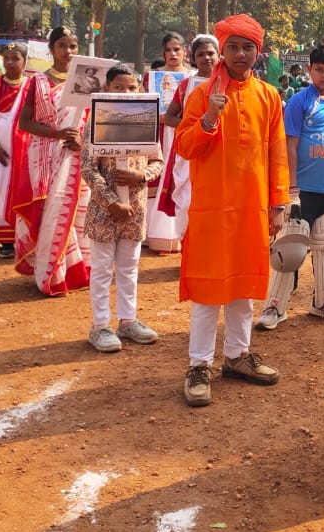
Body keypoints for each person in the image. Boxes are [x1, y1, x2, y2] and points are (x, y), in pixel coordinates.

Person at [176, 14, 290, 407]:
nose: (240, 54)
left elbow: (277, 153)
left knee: (244, 285)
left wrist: (278, 203)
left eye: (248, 47)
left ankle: (237, 355)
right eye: (233, 47)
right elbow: (184, 147)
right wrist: (210, 117)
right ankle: (199, 364)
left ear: (259, 52)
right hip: (211, 209)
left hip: (252, 207)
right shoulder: (201, 94)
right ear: (222, 51)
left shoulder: (269, 96)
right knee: (209, 290)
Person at [258, 45, 324, 330]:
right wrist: (291, 187)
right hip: (301, 188)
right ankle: (274, 306)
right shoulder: (299, 101)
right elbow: (289, 145)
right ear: (309, 70)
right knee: (292, 246)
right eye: (319, 70)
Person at [80, 66, 164, 353]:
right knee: (102, 269)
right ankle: (100, 325)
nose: (126, 93)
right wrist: (111, 202)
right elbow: (88, 168)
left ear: (139, 89)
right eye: (118, 87)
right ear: (107, 89)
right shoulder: (96, 121)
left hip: (135, 209)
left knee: (129, 268)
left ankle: (127, 320)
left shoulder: (146, 122)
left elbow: (157, 162)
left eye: (131, 88)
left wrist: (141, 176)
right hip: (104, 211)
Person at [11, 26, 91, 295]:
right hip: (44, 155)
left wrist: (81, 141)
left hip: (76, 154)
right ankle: (51, 274)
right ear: (51, 49)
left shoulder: (87, 81)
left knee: (77, 210)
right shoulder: (38, 82)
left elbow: (93, 119)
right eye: (62, 45)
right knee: (50, 209)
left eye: (73, 45)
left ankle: (77, 271)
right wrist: (56, 133)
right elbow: (24, 122)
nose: (68, 51)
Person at [152, 34, 218, 254]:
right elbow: (170, 117)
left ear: (219, 55)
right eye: (201, 54)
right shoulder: (185, 85)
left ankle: (211, 255)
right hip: (189, 154)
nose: (206, 58)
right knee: (188, 203)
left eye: (210, 53)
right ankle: (190, 253)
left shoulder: (228, 83)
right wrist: (194, 128)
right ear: (193, 58)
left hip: (219, 153)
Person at [143, 31, 194, 254]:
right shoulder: (152, 78)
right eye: (168, 50)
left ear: (184, 51)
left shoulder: (193, 77)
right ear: (163, 53)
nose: (173, 54)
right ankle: (158, 235)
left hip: (185, 132)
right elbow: (143, 106)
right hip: (161, 133)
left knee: (183, 178)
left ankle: (182, 234)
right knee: (159, 175)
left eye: (177, 49)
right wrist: (158, 117)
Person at [0, 43, 31, 259]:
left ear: (25, 61)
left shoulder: (33, 85)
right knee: (0, 191)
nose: (10, 62)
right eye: (6, 58)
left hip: (26, 148)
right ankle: (5, 240)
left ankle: (24, 238)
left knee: (24, 190)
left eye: (15, 58)